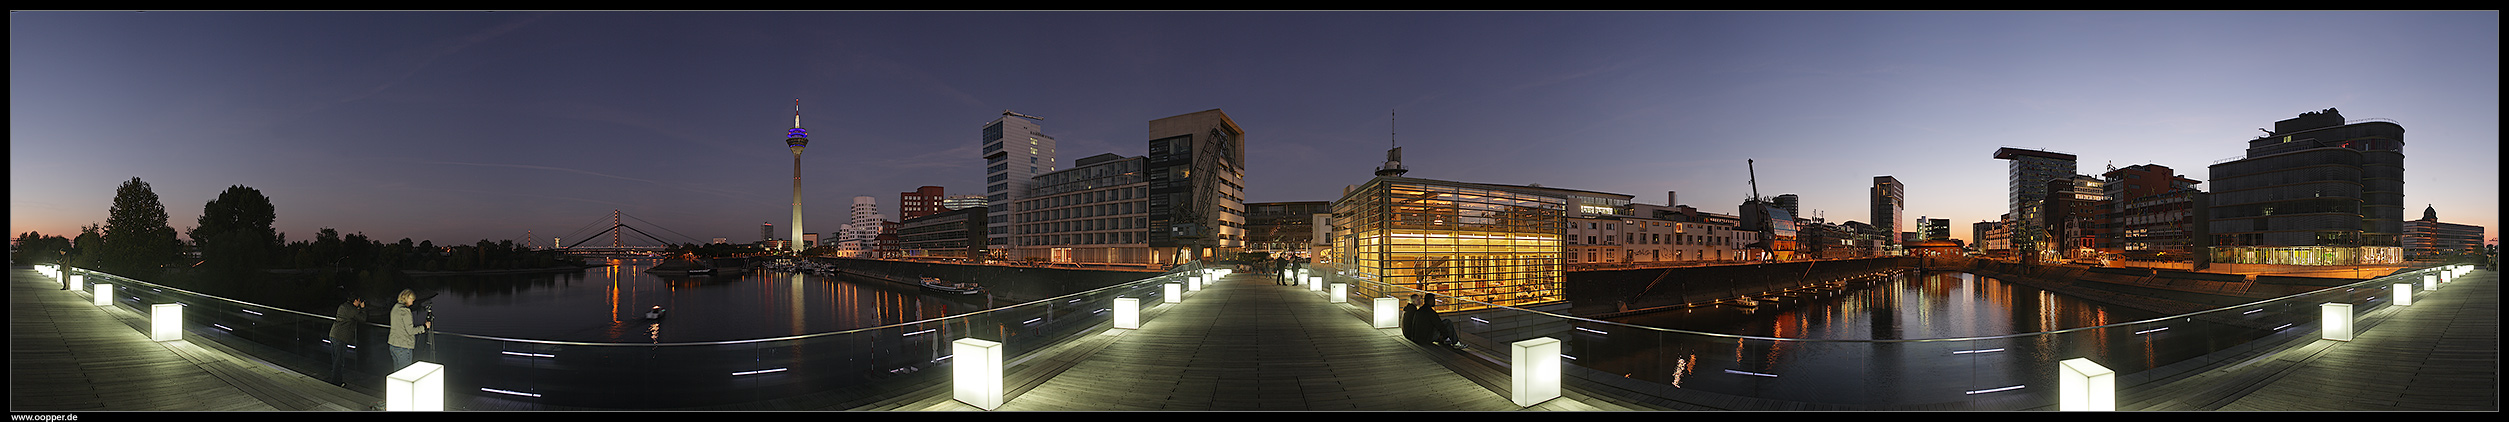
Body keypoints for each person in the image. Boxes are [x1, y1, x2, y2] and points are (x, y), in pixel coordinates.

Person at [328, 295, 367, 386]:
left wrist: (357, 309)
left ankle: (335, 380)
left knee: (335, 360)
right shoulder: (352, 309)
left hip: (334, 334)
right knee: (339, 361)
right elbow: (363, 319)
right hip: (341, 338)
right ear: (356, 300)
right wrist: (363, 308)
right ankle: (336, 382)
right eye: (359, 300)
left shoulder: (343, 306)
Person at [388, 289, 430, 372]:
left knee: (397, 373)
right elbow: (410, 331)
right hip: (403, 347)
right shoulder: (405, 311)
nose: (413, 301)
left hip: (393, 345)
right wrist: (424, 327)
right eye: (412, 299)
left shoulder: (395, 307)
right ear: (407, 298)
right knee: (404, 373)